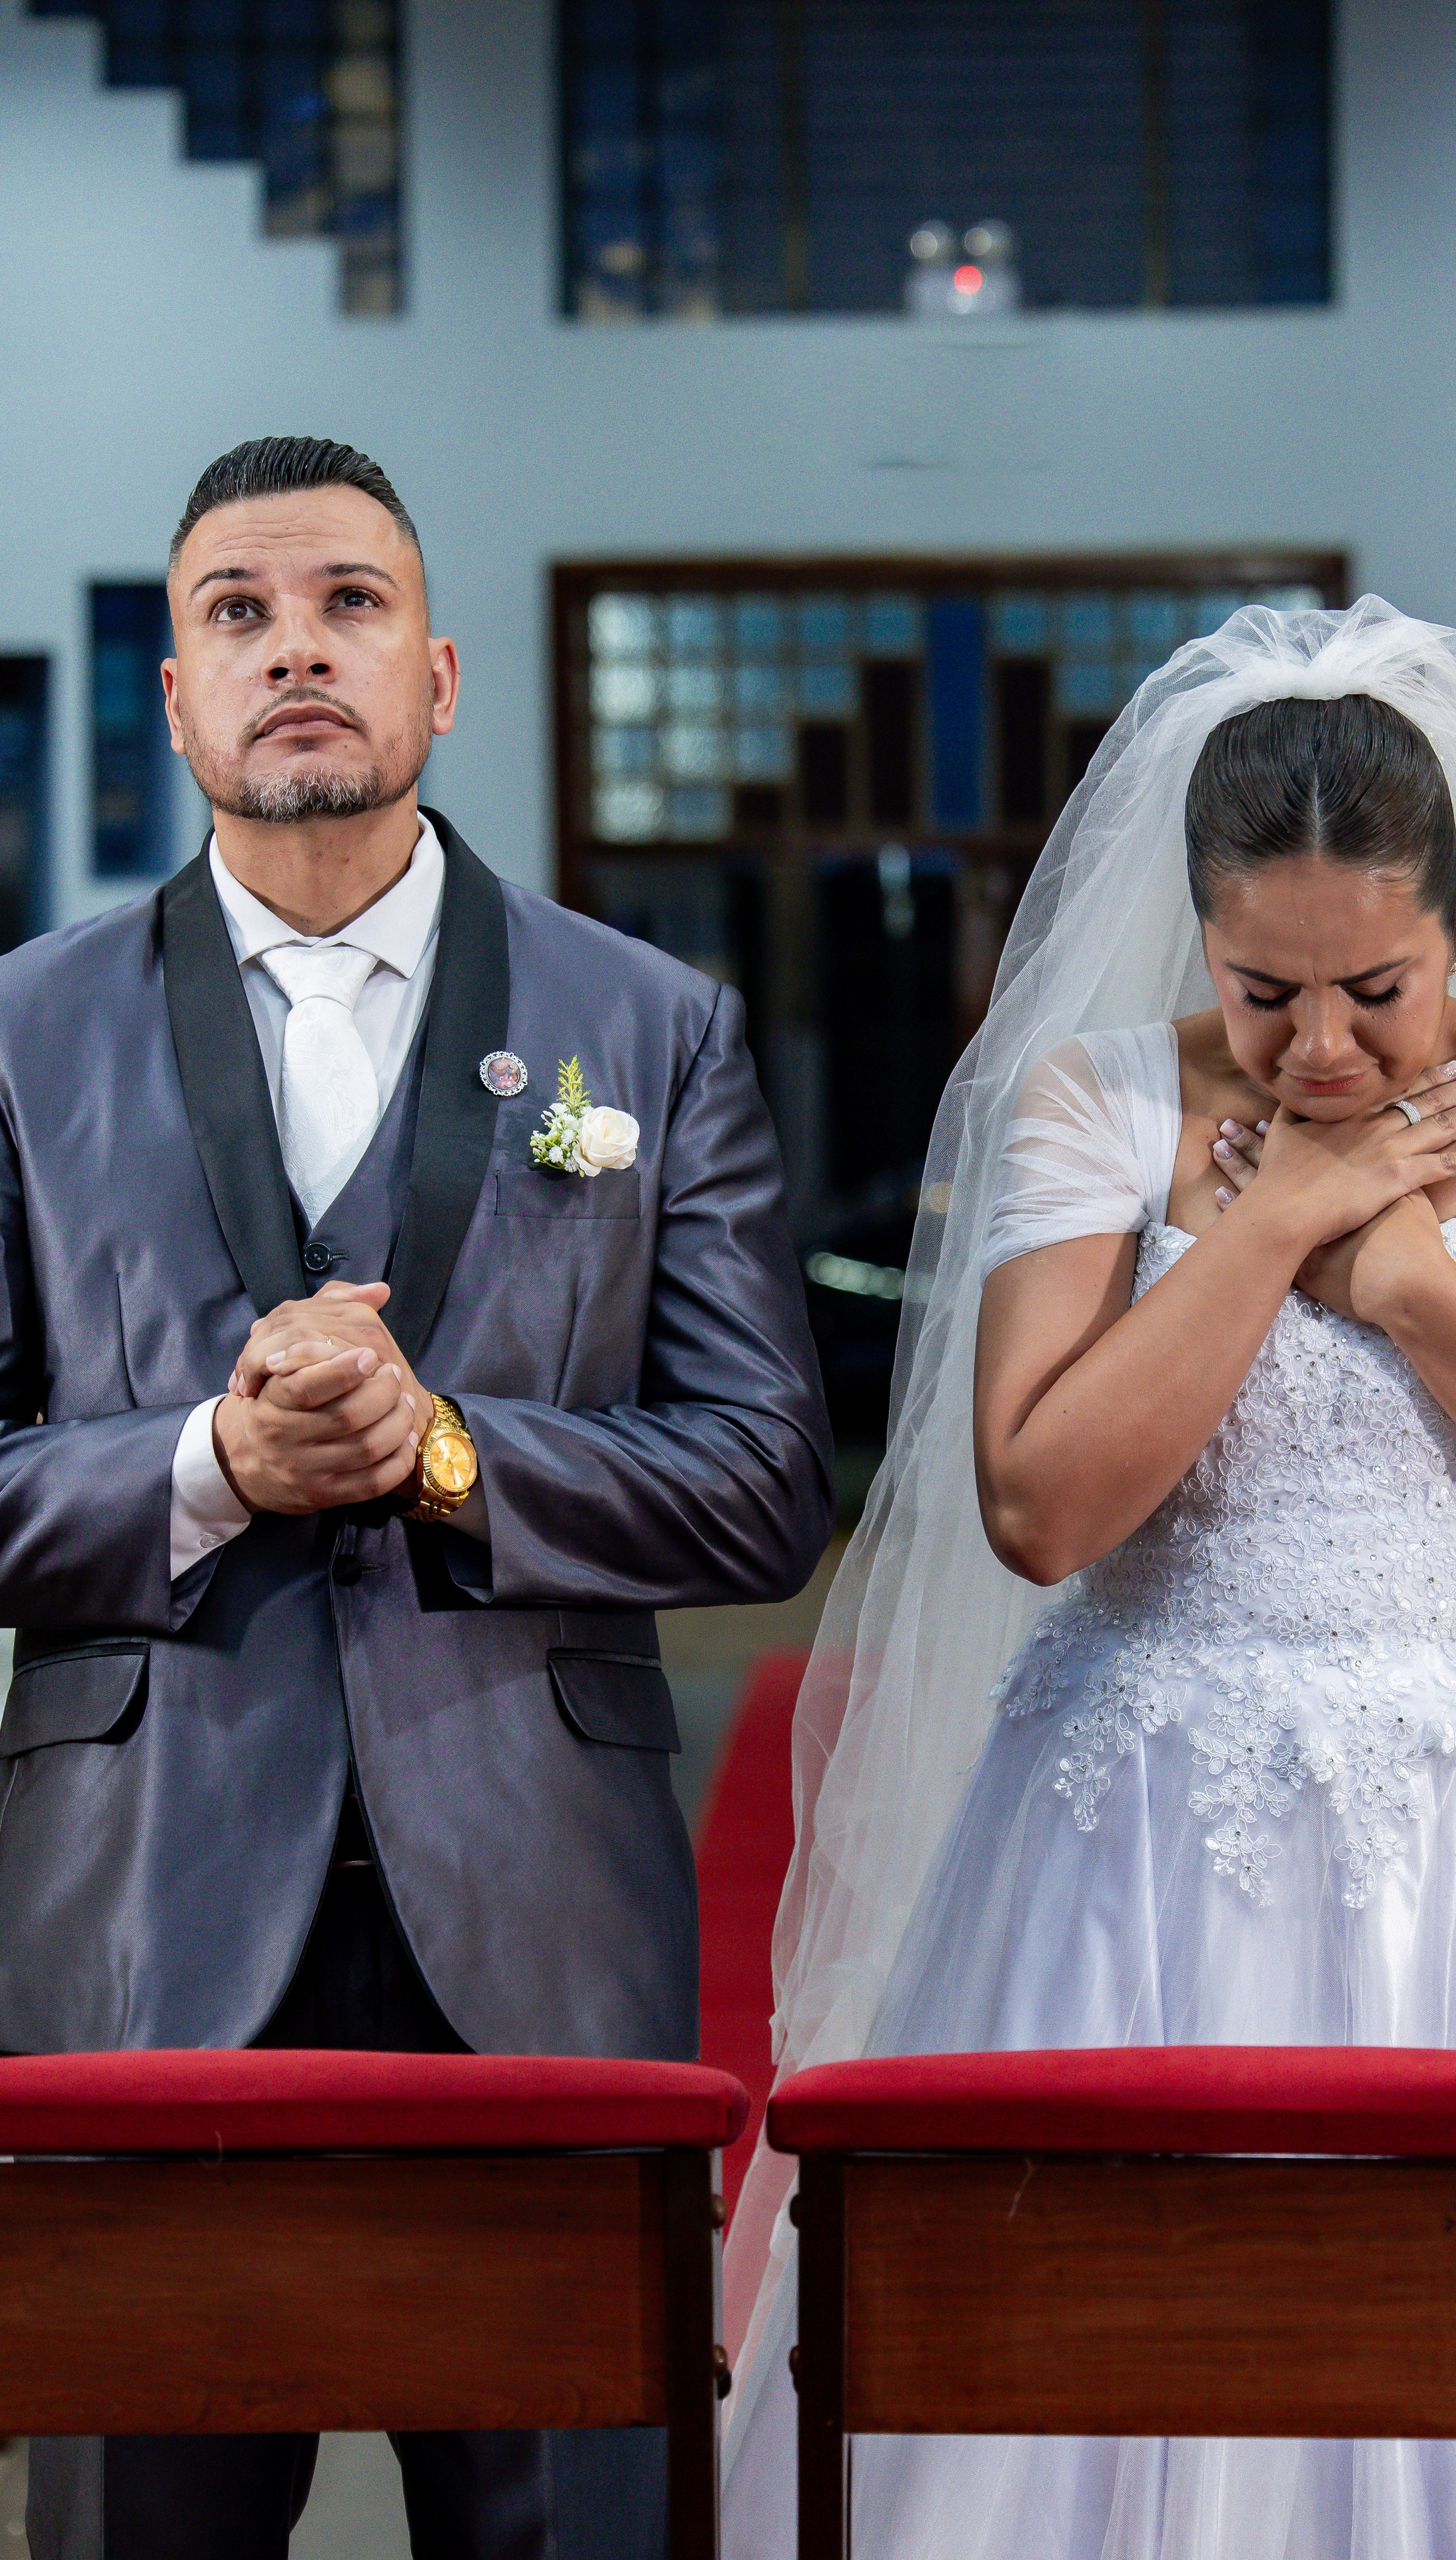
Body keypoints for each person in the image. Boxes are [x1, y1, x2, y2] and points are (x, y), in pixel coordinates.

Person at [723, 597, 1456, 2557]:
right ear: (1199, 935)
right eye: (1265, 992)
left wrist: (1417, 1287)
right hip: (1149, 1837)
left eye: (1378, 989)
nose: (1324, 1046)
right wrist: (1274, 1230)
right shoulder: (1100, 1102)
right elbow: (1041, 1507)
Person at [0, 436, 832, 2560]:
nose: (297, 648)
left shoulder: (649, 1028)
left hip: (537, 1914)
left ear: (440, 676)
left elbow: (766, 1483)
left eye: (349, 604)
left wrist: (448, 1450)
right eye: (240, 613)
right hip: (146, 1916)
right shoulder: (17, 1037)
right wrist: (209, 1464)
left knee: (574, 2518)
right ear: (174, 696)